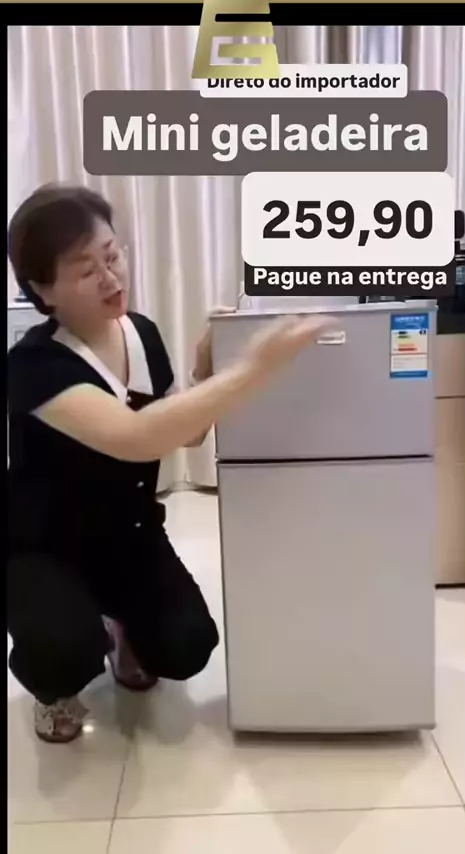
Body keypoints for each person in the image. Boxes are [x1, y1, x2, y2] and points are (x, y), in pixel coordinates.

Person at [7, 183, 338, 743]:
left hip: (128, 535)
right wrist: (256, 366)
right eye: (86, 269)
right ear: (42, 289)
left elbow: (186, 433)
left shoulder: (142, 334)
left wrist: (208, 365)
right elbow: (137, 437)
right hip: (45, 547)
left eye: (112, 255)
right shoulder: (33, 365)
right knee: (64, 649)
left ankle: (121, 625)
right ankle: (53, 688)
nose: (111, 277)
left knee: (187, 647)